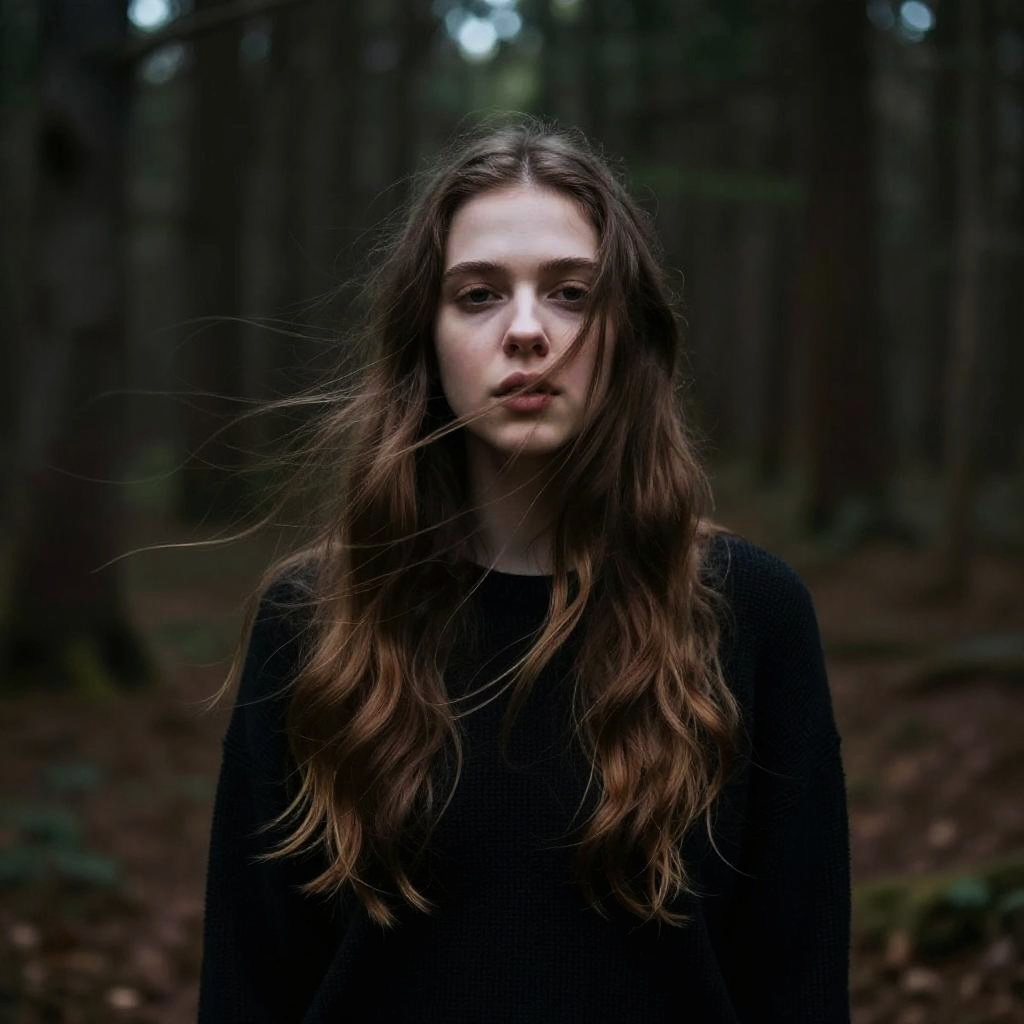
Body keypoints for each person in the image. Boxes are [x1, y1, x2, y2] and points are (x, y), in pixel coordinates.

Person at [197, 119, 851, 1023]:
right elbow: (249, 984)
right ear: (423, 337)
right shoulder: (313, 618)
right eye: (477, 295)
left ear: (628, 331)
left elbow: (799, 980)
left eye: (573, 293)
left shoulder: (751, 612)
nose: (528, 331)